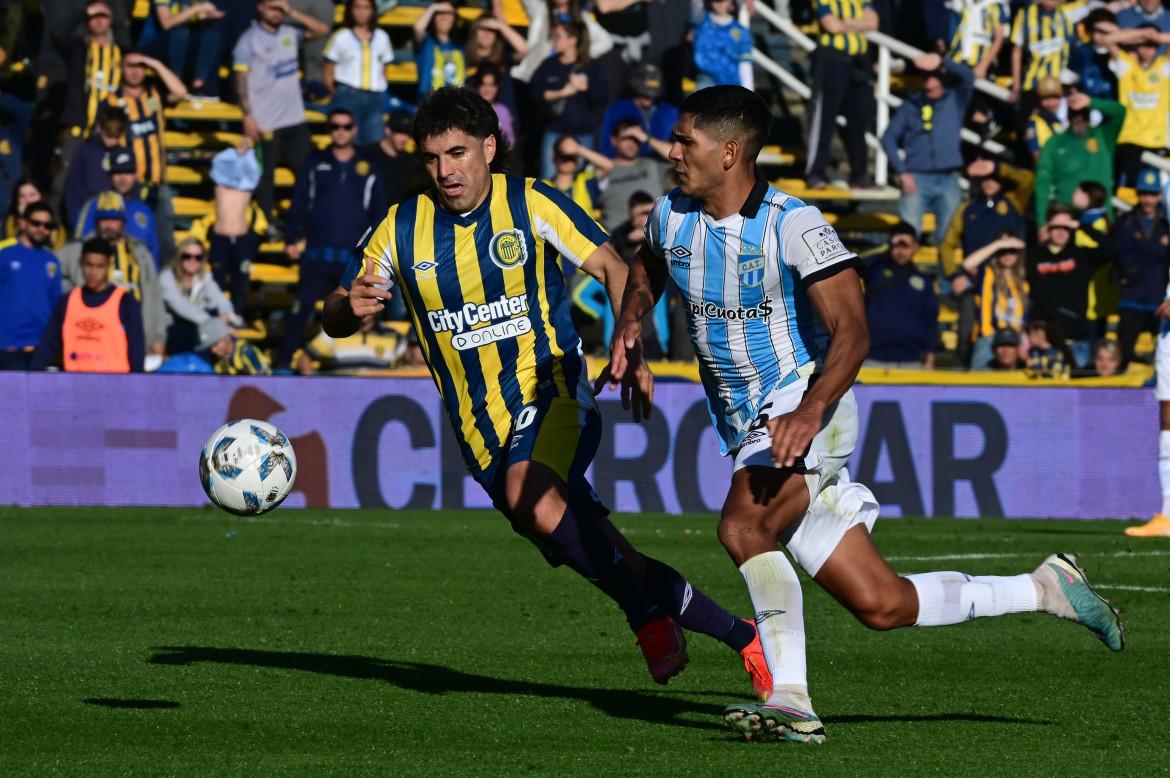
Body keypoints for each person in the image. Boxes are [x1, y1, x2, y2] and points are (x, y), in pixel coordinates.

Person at [605, 85, 1124, 744]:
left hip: (806, 402)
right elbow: (646, 268)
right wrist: (630, 327)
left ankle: (791, 699)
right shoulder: (669, 216)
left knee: (743, 529)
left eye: (685, 141)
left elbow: (852, 332)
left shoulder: (794, 223)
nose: (671, 151)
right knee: (883, 604)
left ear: (730, 151)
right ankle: (1045, 587)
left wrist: (811, 409)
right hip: (747, 423)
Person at [323, 85, 773, 700]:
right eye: (431, 158)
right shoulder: (401, 228)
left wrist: (631, 343)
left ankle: (646, 620)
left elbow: (616, 268)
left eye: (456, 153)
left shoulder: (530, 202)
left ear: (488, 146)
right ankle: (743, 635)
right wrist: (347, 308)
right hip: (482, 431)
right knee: (607, 552)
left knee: (531, 498)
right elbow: (336, 312)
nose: (444, 170)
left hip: (555, 388)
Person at [278, 108, 388, 369]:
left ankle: (358, 368)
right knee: (300, 311)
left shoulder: (368, 166)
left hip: (350, 259)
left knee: (353, 312)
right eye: (335, 126)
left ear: (354, 129)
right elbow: (299, 202)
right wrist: (291, 238)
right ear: (329, 129)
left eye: (346, 126)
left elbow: (379, 212)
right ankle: (282, 367)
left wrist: (379, 249)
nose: (340, 131)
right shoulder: (315, 162)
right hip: (316, 255)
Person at [233, 0, 330, 227]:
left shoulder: (290, 32)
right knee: (265, 177)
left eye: (280, 8)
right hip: (265, 122)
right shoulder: (249, 40)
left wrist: (291, 11)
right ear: (260, 7)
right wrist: (248, 115)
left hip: (294, 119)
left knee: (306, 173)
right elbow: (240, 80)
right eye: (272, 7)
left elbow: (322, 30)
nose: (276, 13)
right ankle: (268, 223)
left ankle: (303, 221)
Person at [879, 52, 974, 245]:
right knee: (908, 236)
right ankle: (905, 275)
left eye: (933, 73)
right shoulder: (910, 105)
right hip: (917, 177)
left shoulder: (955, 98)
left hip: (949, 177)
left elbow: (968, 76)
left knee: (948, 237)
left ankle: (946, 276)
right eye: (924, 73)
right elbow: (888, 138)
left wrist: (942, 61)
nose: (928, 78)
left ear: (942, 74)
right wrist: (902, 171)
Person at [58, 191, 166, 358]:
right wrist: (71, 289)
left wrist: (158, 337)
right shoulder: (80, 248)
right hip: (93, 335)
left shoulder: (140, 252)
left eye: (114, 219)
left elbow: (154, 295)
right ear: (96, 222)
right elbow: (51, 272)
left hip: (136, 334)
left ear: (123, 221)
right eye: (104, 219)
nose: (109, 225)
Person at [32, 236, 145, 372]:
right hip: (76, 386)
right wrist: (32, 378)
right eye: (89, 265)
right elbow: (47, 345)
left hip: (115, 387)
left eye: (100, 266)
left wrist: (136, 385)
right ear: (81, 263)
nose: (93, 272)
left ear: (108, 266)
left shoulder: (125, 302)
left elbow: (137, 349)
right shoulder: (67, 302)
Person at [1025, 204, 1113, 368]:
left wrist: (1081, 226)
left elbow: (1112, 250)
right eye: (1056, 227)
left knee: (1077, 393)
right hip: (1044, 343)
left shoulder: (1082, 256)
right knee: (1040, 394)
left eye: (1066, 227)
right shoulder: (1032, 257)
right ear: (1048, 227)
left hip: (1076, 341)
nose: (1060, 232)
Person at [804, 0, 878, 190]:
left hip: (858, 61)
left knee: (859, 119)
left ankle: (859, 175)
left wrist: (847, 22)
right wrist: (859, 23)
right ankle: (816, 171)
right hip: (832, 59)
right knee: (824, 118)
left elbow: (874, 22)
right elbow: (832, 26)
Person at [560, 119, 672, 233]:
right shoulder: (602, 168)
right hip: (617, 239)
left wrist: (645, 137)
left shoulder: (652, 163)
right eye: (626, 138)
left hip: (655, 232)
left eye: (635, 138)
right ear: (613, 140)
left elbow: (675, 155)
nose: (631, 143)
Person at [531, 20, 609, 180]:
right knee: (548, 180)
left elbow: (602, 97)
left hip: (583, 135)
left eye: (558, 36)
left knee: (583, 180)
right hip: (554, 132)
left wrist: (585, 87)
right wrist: (562, 92)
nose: (554, 40)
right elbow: (535, 95)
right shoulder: (548, 65)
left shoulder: (591, 66)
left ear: (573, 40)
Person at [1034, 91, 1126, 224]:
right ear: (1067, 115)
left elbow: (1120, 111)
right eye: (1074, 114)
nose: (1079, 118)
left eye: (1084, 113)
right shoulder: (1054, 143)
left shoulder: (1104, 137)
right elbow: (1042, 183)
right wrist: (1041, 222)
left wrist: (1091, 102)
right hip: (1066, 219)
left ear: (1089, 114)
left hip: (1099, 219)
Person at [860, 222, 938, 369]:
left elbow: (931, 321)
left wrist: (930, 358)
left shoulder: (924, 281)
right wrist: (886, 246)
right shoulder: (876, 270)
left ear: (916, 247)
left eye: (906, 246)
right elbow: (855, 265)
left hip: (910, 360)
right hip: (872, 357)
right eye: (897, 245)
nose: (901, 251)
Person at [1113, 167, 1169, 367]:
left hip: (1159, 301)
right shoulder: (1124, 221)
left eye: (1152, 194)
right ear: (1137, 193)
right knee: (1124, 358)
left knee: (1165, 359)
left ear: (1160, 195)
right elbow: (1124, 257)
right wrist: (1159, 250)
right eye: (1144, 193)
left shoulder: (1166, 222)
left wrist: (1139, 249)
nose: (1148, 199)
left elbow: (1133, 253)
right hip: (1131, 299)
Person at [202, 140, 263, 318]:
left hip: (242, 238)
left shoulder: (249, 181)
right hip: (220, 238)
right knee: (216, 283)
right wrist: (236, 151)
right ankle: (216, 318)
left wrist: (248, 150)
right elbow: (219, 162)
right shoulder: (220, 181)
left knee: (240, 284)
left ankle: (236, 317)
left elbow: (259, 166)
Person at [323, 0, 396, 146]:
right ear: (350, 10)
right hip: (347, 95)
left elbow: (383, 70)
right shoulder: (340, 37)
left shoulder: (382, 37)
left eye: (366, 7)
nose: (361, 12)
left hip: (375, 97)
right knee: (348, 143)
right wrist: (336, 93)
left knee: (374, 144)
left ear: (373, 11)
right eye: (357, 7)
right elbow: (328, 71)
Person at [0, 203, 64, 370]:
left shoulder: (52, 261)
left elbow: (56, 304)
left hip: (40, 346)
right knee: (12, 396)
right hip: (8, 345)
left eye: (47, 225)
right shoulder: (5, 254)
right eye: (36, 223)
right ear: (23, 223)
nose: (41, 228)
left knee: (39, 396)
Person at [75, 146, 160, 267]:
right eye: (118, 172)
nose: (123, 178)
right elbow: (79, 250)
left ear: (136, 174)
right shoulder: (93, 207)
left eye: (128, 172)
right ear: (109, 175)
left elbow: (153, 255)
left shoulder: (145, 211)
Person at [159, 236, 241, 354]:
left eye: (198, 257)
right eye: (187, 256)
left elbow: (221, 300)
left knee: (226, 336)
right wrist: (216, 325)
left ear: (203, 260)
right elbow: (182, 308)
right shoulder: (166, 277)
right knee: (200, 333)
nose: (192, 260)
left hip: (199, 326)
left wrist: (226, 315)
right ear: (179, 257)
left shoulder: (204, 277)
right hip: (173, 328)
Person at [962, 229, 1029, 370]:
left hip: (1014, 343)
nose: (1007, 254)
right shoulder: (987, 274)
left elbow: (1022, 320)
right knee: (980, 389)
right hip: (988, 339)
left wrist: (1024, 349)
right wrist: (998, 244)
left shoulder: (1023, 283)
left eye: (1012, 250)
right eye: (1003, 250)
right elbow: (968, 264)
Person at [137, 1, 224, 98]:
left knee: (211, 35)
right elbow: (167, 24)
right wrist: (196, 9)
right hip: (154, 46)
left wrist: (208, 16)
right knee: (179, 34)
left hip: (181, 48)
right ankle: (175, 85)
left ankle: (198, 87)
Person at [62, 105, 127, 227]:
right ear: (100, 128)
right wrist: (74, 218)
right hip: (87, 215)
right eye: (109, 136)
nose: (112, 140)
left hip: (115, 217)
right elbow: (73, 186)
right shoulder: (85, 151)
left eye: (116, 137)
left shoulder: (123, 154)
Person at [598, 63, 678, 160]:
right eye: (645, 93)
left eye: (654, 94)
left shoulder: (670, 112)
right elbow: (606, 144)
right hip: (626, 164)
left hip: (661, 163)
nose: (650, 98)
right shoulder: (617, 109)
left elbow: (678, 149)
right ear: (635, 88)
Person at [156, 315, 271, 374]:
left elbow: (261, 381)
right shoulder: (218, 361)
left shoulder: (246, 352)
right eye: (210, 347)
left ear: (226, 337)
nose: (214, 350)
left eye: (216, 344)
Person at [363, 109, 430, 211]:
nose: (405, 138)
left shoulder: (411, 162)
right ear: (388, 130)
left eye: (408, 134)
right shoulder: (367, 154)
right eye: (400, 132)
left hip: (396, 220)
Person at [693, 0, 754, 90]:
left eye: (724, 0)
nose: (720, 3)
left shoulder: (740, 31)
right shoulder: (701, 22)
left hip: (731, 84)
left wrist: (749, 91)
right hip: (707, 81)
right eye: (716, 0)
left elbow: (745, 63)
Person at [413, 2, 466, 102]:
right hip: (429, 103)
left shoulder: (460, 48)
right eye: (440, 12)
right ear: (433, 17)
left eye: (449, 13)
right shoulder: (427, 42)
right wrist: (433, 7)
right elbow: (418, 28)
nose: (445, 17)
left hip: (456, 105)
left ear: (455, 18)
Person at [469, 66, 517, 147]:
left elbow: (510, 139)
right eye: (484, 85)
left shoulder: (503, 111)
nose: (487, 89)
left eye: (492, 85)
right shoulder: (470, 110)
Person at [1024, 76, 1066, 165]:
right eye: (1046, 98)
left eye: (1055, 97)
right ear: (1038, 99)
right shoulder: (1034, 121)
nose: (1051, 103)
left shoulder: (1057, 121)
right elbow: (1036, 154)